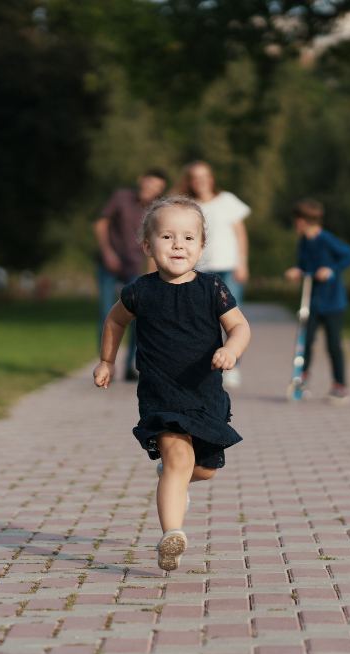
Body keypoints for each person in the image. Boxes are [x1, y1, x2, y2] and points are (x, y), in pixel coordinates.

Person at [93, 195, 251, 571]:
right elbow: (115, 322)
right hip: (161, 392)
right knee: (179, 457)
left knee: (204, 469)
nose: (178, 244)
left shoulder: (212, 289)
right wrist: (106, 361)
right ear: (148, 246)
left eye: (188, 238)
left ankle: (171, 480)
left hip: (205, 393)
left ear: (201, 246)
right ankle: (171, 536)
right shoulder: (139, 291)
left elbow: (240, 326)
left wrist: (231, 350)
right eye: (167, 237)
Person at [174, 161, 251, 388]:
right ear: (190, 181)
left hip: (229, 266)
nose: (201, 180)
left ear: (211, 178)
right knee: (199, 318)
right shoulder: (187, 206)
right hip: (199, 269)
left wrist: (243, 262)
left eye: (205, 175)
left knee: (233, 317)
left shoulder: (227, 200)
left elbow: (240, 233)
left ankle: (232, 365)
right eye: (196, 177)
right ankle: (200, 365)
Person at [94, 169, 168, 380]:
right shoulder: (120, 197)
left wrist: (152, 278)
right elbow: (101, 224)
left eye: (158, 188)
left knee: (138, 316)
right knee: (107, 315)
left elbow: (154, 243)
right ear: (141, 180)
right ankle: (106, 364)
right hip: (108, 264)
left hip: (135, 266)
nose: (152, 189)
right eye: (150, 184)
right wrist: (107, 253)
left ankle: (131, 366)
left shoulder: (155, 209)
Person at [283, 199, 350, 405]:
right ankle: (301, 380)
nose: (295, 225)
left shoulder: (326, 240)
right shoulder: (304, 242)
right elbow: (303, 264)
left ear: (303, 221)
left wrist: (331, 269)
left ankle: (340, 386)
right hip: (311, 302)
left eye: (296, 221)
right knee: (305, 342)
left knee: (333, 344)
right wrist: (296, 270)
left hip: (333, 302)